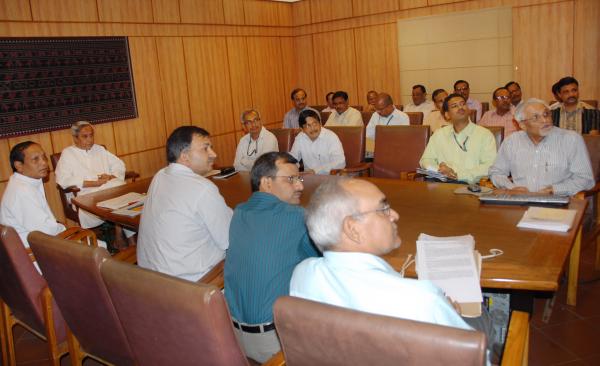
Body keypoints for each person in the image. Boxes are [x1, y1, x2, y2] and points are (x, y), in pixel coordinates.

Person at [290, 177, 473, 331]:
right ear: (352, 229)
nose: (395, 215)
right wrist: (449, 318)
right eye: (383, 209)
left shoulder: (302, 274)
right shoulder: (422, 300)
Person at [225, 152, 320, 363]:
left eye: (299, 178)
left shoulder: (239, 212)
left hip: (232, 336)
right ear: (267, 183)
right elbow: (325, 262)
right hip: (273, 341)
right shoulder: (295, 216)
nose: (300, 186)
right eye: (291, 179)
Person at [138, 126, 232, 282]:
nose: (213, 154)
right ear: (185, 156)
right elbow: (229, 239)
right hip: (193, 284)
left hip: (150, 281)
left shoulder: (159, 176)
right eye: (205, 148)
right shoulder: (203, 188)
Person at [489, 98, 594, 196]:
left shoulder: (571, 139)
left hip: (557, 202)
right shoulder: (512, 141)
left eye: (546, 114)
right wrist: (512, 188)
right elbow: (496, 172)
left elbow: (586, 179)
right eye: (535, 117)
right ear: (522, 125)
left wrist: (555, 190)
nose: (545, 120)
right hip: (520, 202)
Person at [55, 121, 134, 248]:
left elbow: (119, 165)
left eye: (91, 135)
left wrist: (110, 176)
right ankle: (126, 236)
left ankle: (121, 233)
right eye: (84, 136)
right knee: (119, 190)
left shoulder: (99, 149)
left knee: (118, 188)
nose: (90, 140)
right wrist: (94, 183)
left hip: (109, 189)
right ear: (75, 138)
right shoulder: (68, 153)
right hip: (85, 194)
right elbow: (62, 179)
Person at [420, 93, 497, 184]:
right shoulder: (439, 134)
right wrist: (439, 170)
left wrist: (458, 175)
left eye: (463, 104)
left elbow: (489, 166)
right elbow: (425, 160)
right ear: (447, 115)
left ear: (469, 110)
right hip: (442, 185)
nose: (460, 107)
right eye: (454, 106)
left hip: (472, 186)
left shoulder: (485, 135)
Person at [0, 141, 66, 248]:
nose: (44, 163)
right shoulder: (22, 191)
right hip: (35, 254)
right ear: (19, 166)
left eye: (44, 157)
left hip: (39, 244)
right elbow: (46, 231)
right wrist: (64, 229)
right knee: (98, 247)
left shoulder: (22, 183)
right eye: (36, 159)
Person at [290, 109, 345, 174]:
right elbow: (293, 158)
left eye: (315, 123)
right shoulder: (300, 138)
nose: (313, 128)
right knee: (291, 180)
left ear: (320, 123)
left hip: (331, 177)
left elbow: (340, 162)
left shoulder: (331, 137)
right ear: (302, 129)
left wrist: (316, 171)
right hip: (309, 178)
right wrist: (291, 168)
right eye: (308, 125)